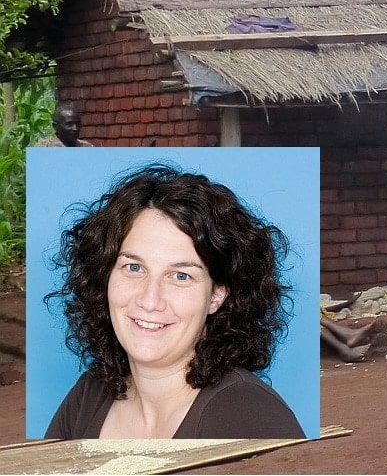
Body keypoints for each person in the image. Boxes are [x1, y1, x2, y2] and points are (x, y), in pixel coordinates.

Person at [44, 165, 305, 439]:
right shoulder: (88, 397)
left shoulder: (246, 412)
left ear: (217, 295)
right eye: (134, 268)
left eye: (180, 276)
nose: (150, 299)